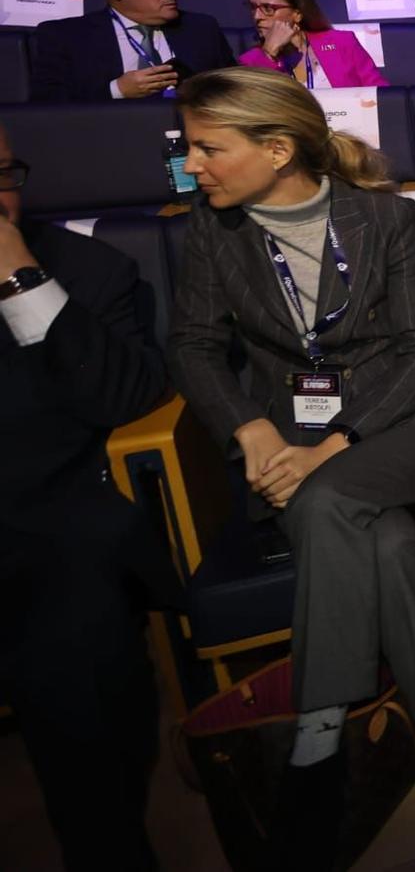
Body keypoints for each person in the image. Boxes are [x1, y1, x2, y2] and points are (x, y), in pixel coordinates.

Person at [166, 68, 415, 871]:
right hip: (288, 437)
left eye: (209, 148)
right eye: (190, 147)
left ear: (277, 150)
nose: (191, 165)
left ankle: (318, 735)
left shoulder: (385, 219)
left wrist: (333, 444)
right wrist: (246, 426)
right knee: (377, 538)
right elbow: (194, 346)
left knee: (326, 496)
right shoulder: (214, 230)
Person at [0, 116, 174, 870]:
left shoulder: (82, 270)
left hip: (45, 535)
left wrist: (21, 279)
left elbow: (129, 392)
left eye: (4, 175)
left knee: (80, 659)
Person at [30, 0, 232, 102]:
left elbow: (234, 90)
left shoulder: (202, 28)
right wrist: (116, 90)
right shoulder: (66, 36)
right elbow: (47, 103)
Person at [238, 0, 387, 89]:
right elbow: (255, 105)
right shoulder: (250, 61)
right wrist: (269, 52)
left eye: (268, 9)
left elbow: (379, 94)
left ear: (297, 14)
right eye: (253, 8)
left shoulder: (342, 42)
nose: (257, 16)